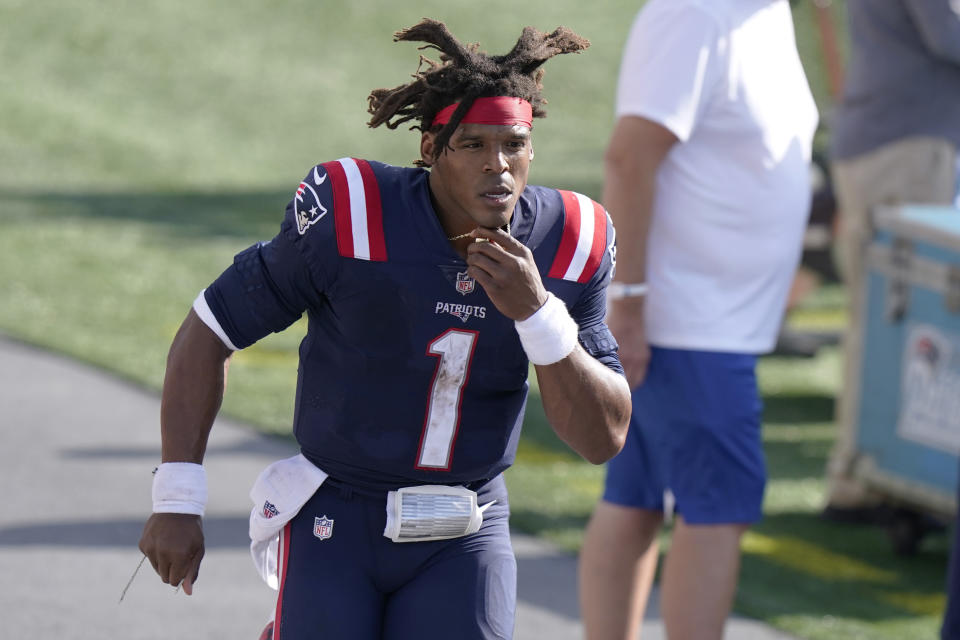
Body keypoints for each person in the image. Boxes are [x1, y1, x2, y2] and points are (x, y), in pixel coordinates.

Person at [136, 18, 631, 640]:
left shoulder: (569, 240)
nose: (497, 166)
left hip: (468, 522)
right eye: (471, 145)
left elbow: (603, 437)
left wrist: (539, 315)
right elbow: (210, 328)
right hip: (337, 514)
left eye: (513, 144)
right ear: (430, 151)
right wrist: (177, 496)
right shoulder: (353, 214)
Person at [577, 1, 817, 638]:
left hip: (704, 321)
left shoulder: (763, 13)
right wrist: (624, 303)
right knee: (718, 510)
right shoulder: (696, 11)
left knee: (635, 499)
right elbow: (630, 157)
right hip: (684, 322)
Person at [823, 0, 960, 518]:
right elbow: (949, 36)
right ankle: (861, 477)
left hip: (892, 140)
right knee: (888, 324)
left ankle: (865, 473)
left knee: (884, 322)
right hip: (905, 145)